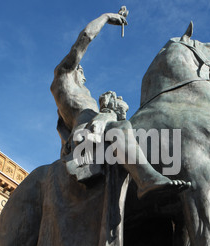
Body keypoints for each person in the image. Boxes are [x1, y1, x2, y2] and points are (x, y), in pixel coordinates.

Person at [51, 12, 190, 199]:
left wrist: (111, 109)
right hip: (86, 136)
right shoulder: (64, 76)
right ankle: (146, 180)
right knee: (120, 128)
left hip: (97, 133)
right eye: (80, 69)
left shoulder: (86, 95)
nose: (82, 73)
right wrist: (107, 17)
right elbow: (85, 38)